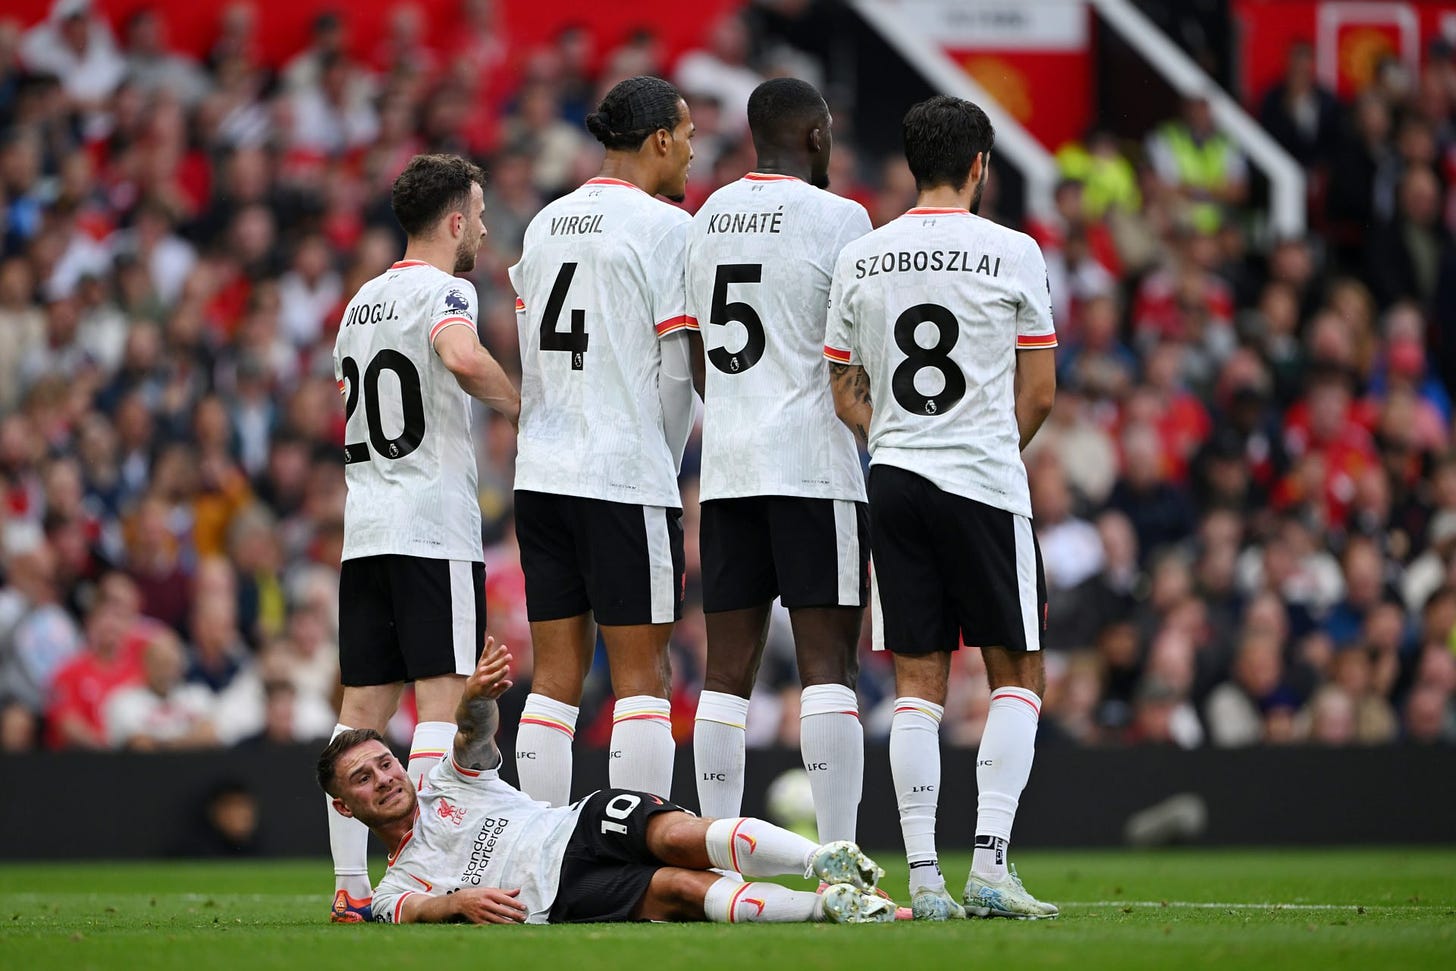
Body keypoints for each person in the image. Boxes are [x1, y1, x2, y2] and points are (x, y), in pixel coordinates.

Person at [823, 95, 1060, 921]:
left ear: (913, 165)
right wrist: (989, 446)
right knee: (1018, 674)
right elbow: (1040, 392)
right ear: (979, 167)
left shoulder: (864, 254)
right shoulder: (1014, 251)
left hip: (894, 477)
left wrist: (887, 432)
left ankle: (922, 876)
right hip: (982, 482)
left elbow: (840, 384)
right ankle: (990, 862)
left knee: (918, 682)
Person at [318, 640, 896, 925]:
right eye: (363, 780)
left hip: (579, 824)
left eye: (385, 764)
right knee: (678, 891)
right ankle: (833, 911)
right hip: (564, 897)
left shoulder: (449, 784)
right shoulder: (395, 883)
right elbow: (413, 911)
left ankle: (824, 860)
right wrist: (458, 902)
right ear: (347, 809)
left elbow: (474, 734)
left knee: (676, 837)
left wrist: (474, 700)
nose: (385, 779)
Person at [327, 153, 521, 922]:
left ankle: (350, 885)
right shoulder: (447, 288)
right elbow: (460, 352)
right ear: (451, 220)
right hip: (431, 527)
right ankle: (429, 868)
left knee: (360, 711)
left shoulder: (358, 302)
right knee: (443, 695)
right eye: (475, 212)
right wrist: (522, 411)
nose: (480, 226)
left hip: (365, 525)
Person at [684, 78, 871, 847]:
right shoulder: (842, 217)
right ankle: (840, 854)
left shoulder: (706, 217)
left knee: (726, 673)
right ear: (818, 138)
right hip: (812, 467)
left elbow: (697, 353)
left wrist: (735, 405)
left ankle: (718, 855)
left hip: (728, 469)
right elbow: (856, 350)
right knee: (829, 663)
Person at [507, 76, 696, 807]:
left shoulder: (546, 222)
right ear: (658, 140)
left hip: (542, 470)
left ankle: (546, 850)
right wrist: (665, 466)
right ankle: (631, 858)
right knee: (643, 677)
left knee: (554, 677)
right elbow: (678, 372)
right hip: (622, 473)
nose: (689, 152)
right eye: (685, 137)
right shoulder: (668, 229)